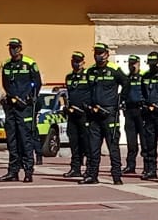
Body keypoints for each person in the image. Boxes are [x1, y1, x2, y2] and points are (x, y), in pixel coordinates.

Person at [0, 38, 41, 183]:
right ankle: (13, 171)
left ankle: (28, 171)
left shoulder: (29, 63)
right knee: (12, 141)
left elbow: (37, 83)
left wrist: (29, 98)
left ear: (20, 48)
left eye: (15, 47)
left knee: (25, 140)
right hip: (11, 107)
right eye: (11, 47)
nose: (13, 50)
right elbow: (5, 84)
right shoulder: (7, 65)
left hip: (25, 108)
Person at [82, 42, 125, 185]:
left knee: (113, 147)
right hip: (94, 114)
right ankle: (92, 175)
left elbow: (127, 84)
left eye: (100, 53)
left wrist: (120, 100)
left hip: (109, 113)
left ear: (107, 54)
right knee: (93, 148)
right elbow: (86, 90)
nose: (98, 56)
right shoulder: (90, 71)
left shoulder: (114, 70)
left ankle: (116, 176)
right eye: (96, 53)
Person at [137, 52, 158, 181]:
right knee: (149, 144)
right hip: (149, 114)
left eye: (154, 63)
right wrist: (143, 104)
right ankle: (151, 169)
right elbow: (141, 92)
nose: (152, 67)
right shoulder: (145, 76)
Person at [62, 51, 90, 178]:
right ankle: (75, 168)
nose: (76, 64)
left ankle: (89, 169)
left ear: (83, 62)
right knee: (74, 142)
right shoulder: (69, 77)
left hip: (84, 114)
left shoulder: (88, 75)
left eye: (78, 61)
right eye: (74, 61)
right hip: (72, 115)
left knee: (87, 143)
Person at [122, 55, 146, 174]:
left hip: (141, 111)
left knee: (145, 140)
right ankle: (130, 165)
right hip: (129, 111)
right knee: (131, 141)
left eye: (134, 63)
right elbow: (123, 94)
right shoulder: (126, 78)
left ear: (139, 64)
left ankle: (148, 167)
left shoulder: (144, 77)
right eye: (130, 63)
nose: (132, 66)